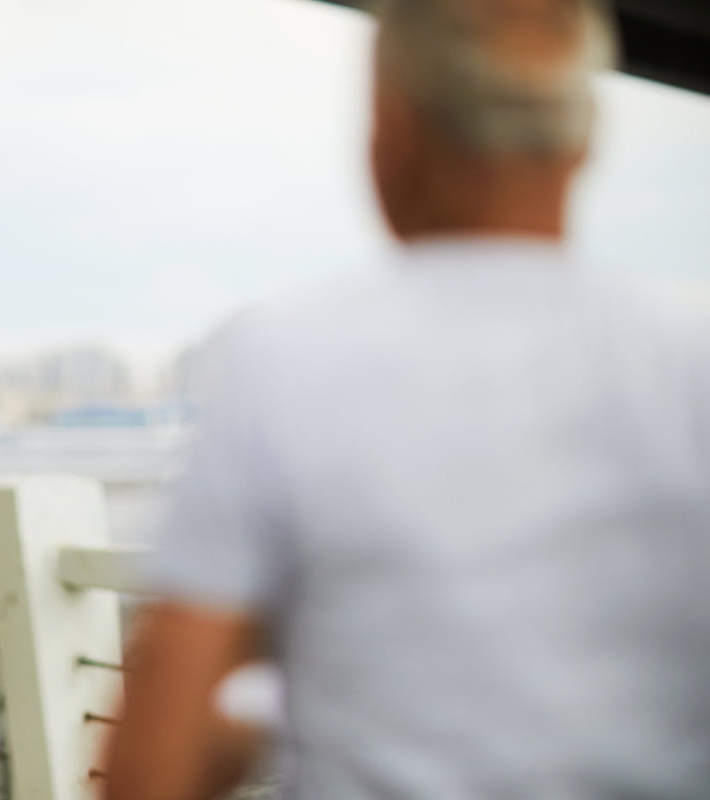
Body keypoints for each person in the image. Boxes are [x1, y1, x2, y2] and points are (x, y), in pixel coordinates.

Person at [103, 2, 710, 799]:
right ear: (584, 139)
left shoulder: (287, 358)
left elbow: (155, 765)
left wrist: (281, 714)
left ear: (392, 128)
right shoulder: (686, 361)